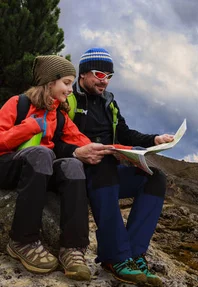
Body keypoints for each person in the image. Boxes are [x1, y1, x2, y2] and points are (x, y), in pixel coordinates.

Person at [56, 47, 173, 286]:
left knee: (155, 178)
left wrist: (154, 140)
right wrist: (78, 152)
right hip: (79, 172)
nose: (105, 82)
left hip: (106, 173)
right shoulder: (68, 98)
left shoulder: (110, 103)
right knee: (105, 166)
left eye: (109, 76)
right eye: (100, 75)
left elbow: (125, 133)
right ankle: (115, 256)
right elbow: (52, 139)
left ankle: (134, 254)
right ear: (84, 74)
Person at [0, 55, 114, 281]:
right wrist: (29, 127)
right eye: (66, 83)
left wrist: (116, 151)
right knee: (43, 153)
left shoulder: (58, 115)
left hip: (38, 172)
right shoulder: (18, 103)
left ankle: (73, 249)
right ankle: (22, 241)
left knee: (72, 165)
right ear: (50, 82)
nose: (70, 90)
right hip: (7, 167)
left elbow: (82, 141)